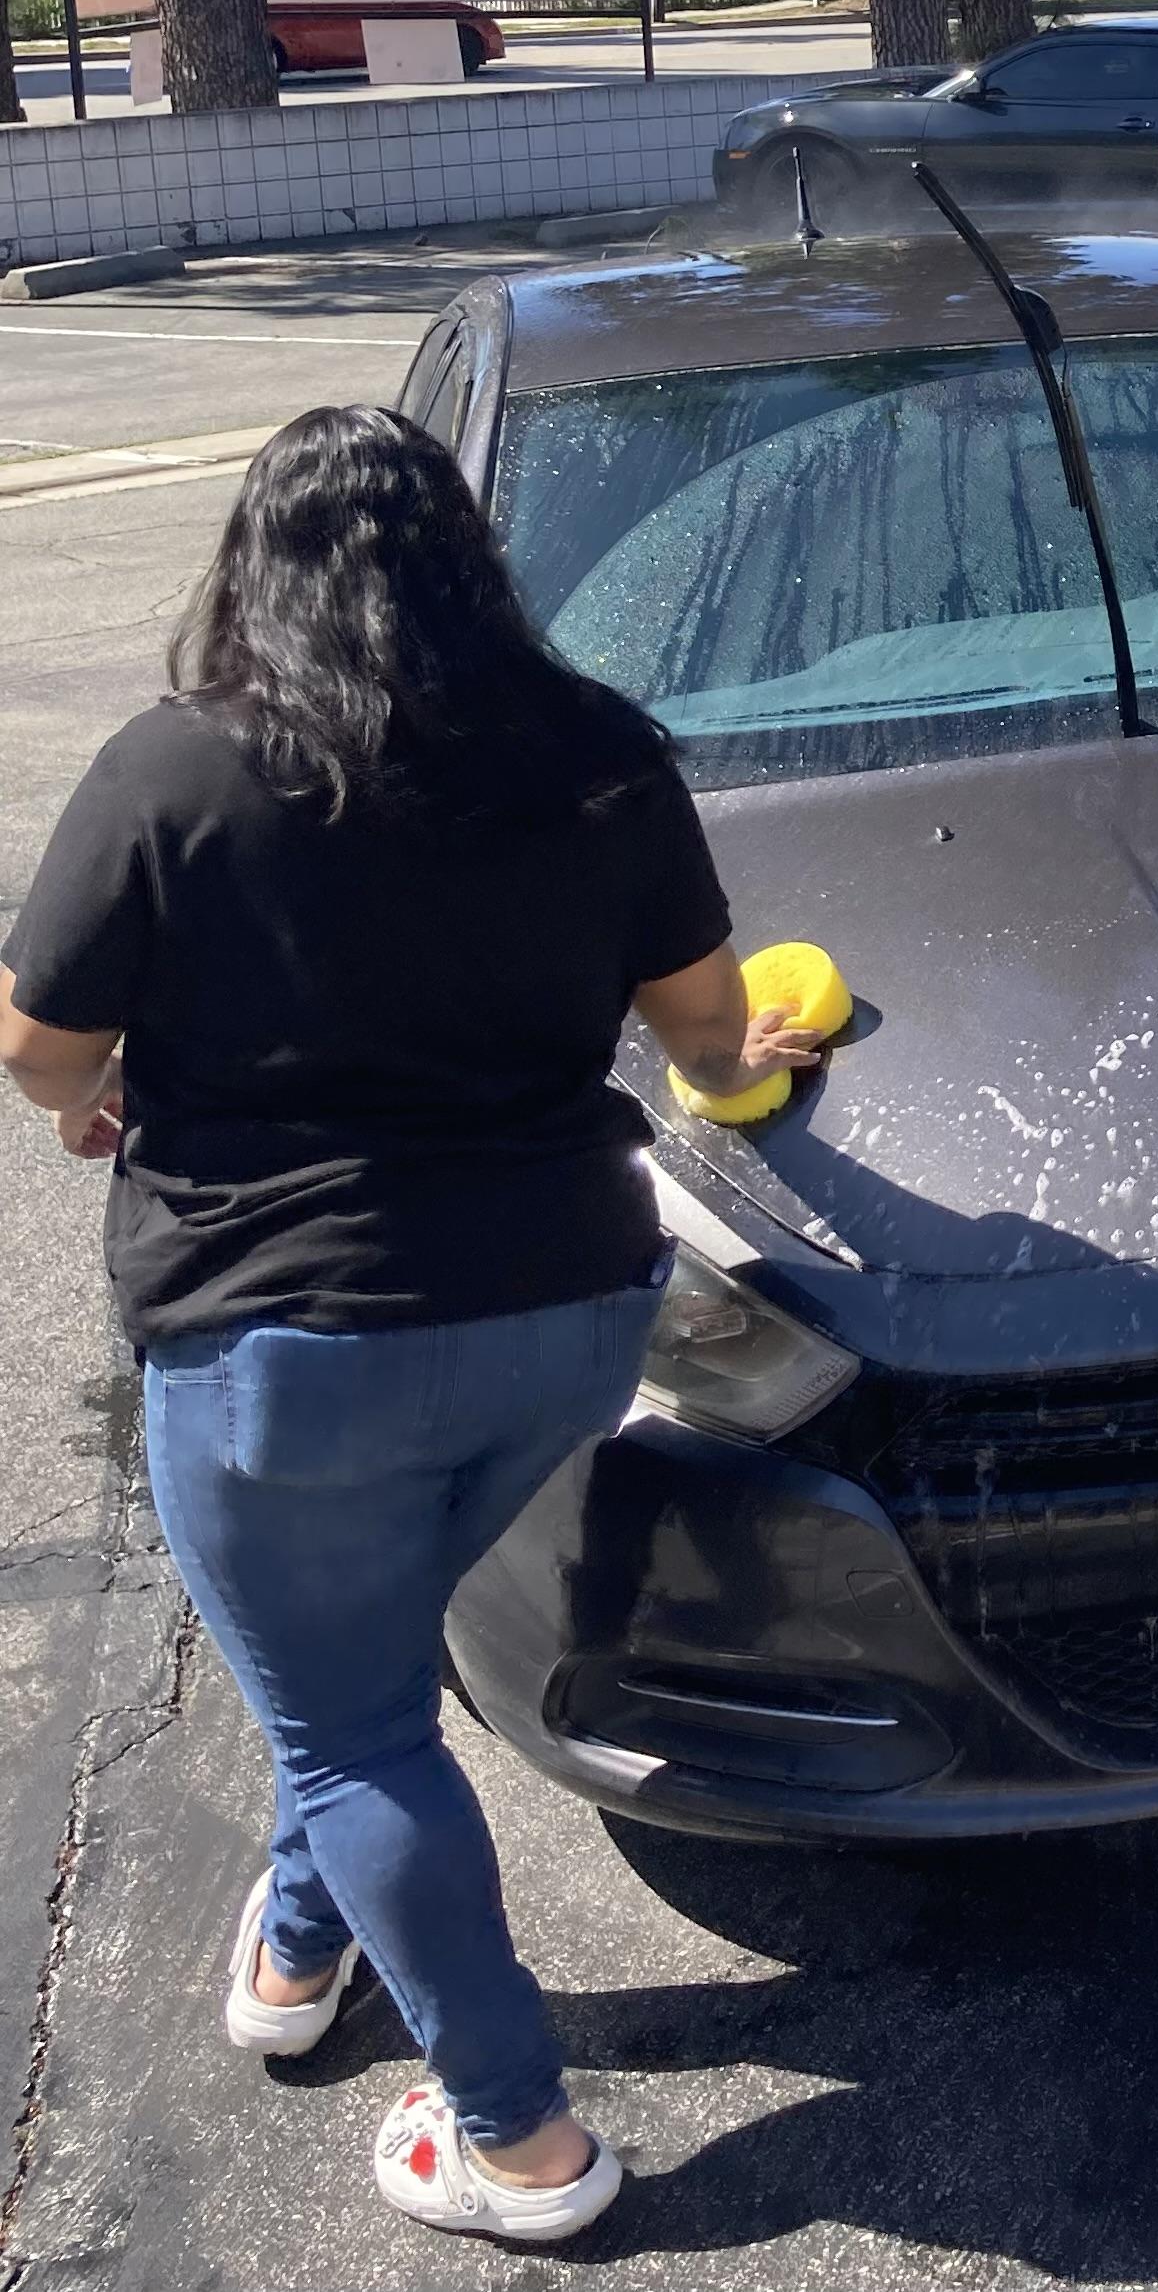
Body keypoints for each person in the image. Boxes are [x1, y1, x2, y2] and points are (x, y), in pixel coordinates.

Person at [0, 407, 827, 2244]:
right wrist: (757, 1051)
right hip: (567, 1319)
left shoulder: (174, 772)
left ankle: (518, 2135)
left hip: (287, 1358)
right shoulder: (602, 755)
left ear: (254, 565)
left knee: (356, 1727)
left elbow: (40, 1050)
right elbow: (699, 1034)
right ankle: (301, 1944)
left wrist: (125, 1066)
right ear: (473, 558)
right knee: (359, 1682)